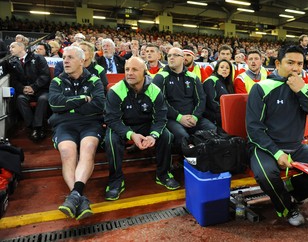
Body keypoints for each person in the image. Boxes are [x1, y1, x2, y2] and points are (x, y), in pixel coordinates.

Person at [246, 45, 308, 226]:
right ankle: (287, 207)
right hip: (265, 148)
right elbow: (254, 129)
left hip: (296, 147)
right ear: (277, 63)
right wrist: (277, 153)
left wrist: (302, 92)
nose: (296, 68)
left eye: (300, 64)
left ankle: (289, 189)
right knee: (267, 175)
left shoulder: (305, 88)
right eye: (290, 63)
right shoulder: (262, 88)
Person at [104, 57, 180, 200]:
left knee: (166, 135)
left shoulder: (155, 90)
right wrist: (131, 134)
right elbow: (112, 120)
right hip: (124, 125)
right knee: (110, 139)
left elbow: (161, 118)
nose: (129, 73)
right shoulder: (115, 91)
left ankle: (163, 174)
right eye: (127, 69)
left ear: (144, 72)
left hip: (147, 125)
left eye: (134, 69)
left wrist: (153, 135)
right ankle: (115, 180)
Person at [48, 46, 105, 220]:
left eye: (70, 57)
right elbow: (55, 105)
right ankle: (79, 196)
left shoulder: (95, 80)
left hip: (90, 123)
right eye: (64, 57)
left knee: (88, 147)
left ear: (81, 61)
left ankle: (74, 197)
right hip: (64, 124)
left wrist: (69, 107)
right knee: (67, 151)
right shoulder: (56, 81)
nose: (65, 61)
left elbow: (99, 105)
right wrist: (81, 99)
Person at [152, 47, 217, 150]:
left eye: (175, 55)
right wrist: (179, 117)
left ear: (183, 59)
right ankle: (185, 162)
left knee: (212, 129)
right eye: (169, 55)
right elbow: (160, 103)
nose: (171, 58)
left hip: (193, 117)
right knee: (182, 136)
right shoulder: (160, 77)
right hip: (171, 118)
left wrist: (195, 117)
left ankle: (205, 159)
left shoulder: (193, 77)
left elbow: (201, 99)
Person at [8, 41, 50, 141]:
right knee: (20, 99)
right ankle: (33, 127)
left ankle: (38, 127)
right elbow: (14, 80)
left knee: (43, 99)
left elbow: (45, 75)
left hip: (41, 89)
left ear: (21, 48)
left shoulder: (38, 58)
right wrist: (23, 89)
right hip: (25, 91)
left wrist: (34, 87)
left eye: (12, 47)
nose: (10, 49)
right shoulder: (12, 62)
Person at [203, 59, 235, 126]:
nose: (224, 69)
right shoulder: (211, 80)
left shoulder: (227, 84)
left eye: (227, 68)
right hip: (213, 116)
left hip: (224, 114)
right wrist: (226, 111)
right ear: (217, 69)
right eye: (222, 67)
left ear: (230, 71)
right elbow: (211, 102)